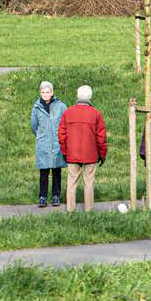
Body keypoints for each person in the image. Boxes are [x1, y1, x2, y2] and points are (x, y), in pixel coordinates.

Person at [57, 84, 107, 212]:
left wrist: (65, 152)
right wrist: (102, 155)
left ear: (77, 96)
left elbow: (61, 134)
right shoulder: (96, 113)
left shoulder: (68, 112)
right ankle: (89, 210)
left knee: (71, 182)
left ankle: (70, 209)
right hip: (90, 154)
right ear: (90, 97)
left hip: (72, 153)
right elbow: (101, 137)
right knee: (89, 183)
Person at [29, 80, 67, 207]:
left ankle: (56, 196)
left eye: (47, 92)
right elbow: (33, 126)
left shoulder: (61, 106)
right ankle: (42, 197)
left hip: (57, 143)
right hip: (43, 144)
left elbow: (65, 123)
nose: (45, 94)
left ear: (52, 93)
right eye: (43, 92)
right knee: (44, 172)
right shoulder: (36, 108)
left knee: (56, 171)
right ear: (40, 93)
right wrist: (42, 136)